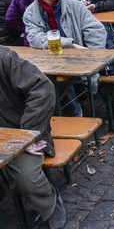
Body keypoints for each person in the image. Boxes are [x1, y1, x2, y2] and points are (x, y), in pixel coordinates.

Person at [0, 45, 67, 229]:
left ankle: (50, 205)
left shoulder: (5, 58)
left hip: (23, 128)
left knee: (26, 177)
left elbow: (43, 89)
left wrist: (27, 135)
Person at [24, 0, 107, 117]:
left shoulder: (74, 5)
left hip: (81, 59)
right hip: (50, 60)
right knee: (46, 80)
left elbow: (96, 30)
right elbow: (35, 38)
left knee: (60, 82)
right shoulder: (31, 12)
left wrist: (94, 56)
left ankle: (72, 115)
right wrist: (70, 44)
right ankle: (67, 116)